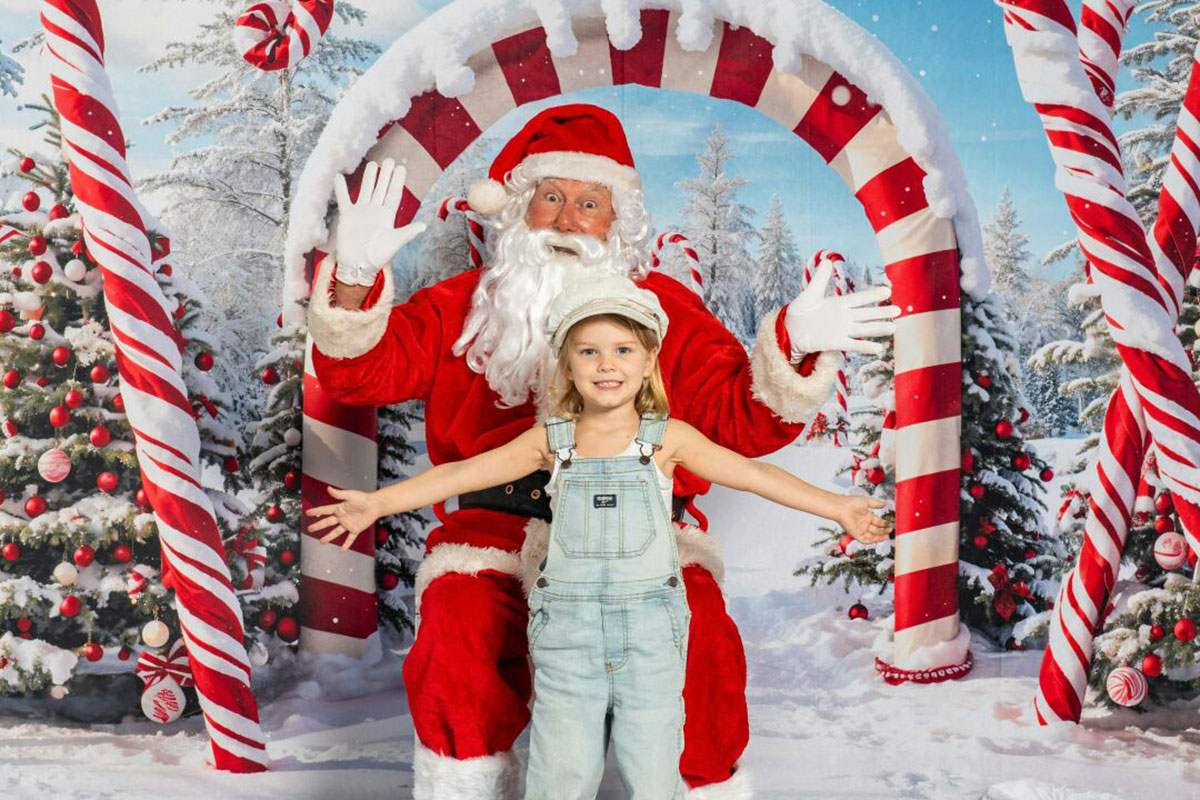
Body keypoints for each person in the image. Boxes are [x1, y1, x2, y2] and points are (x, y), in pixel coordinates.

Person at [306, 103, 899, 799]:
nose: (565, 219)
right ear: (520, 208)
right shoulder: (466, 304)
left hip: (647, 532)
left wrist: (796, 344)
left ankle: (697, 786)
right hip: (494, 534)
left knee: (701, 631)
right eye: (550, 197)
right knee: (457, 629)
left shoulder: (661, 312)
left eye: (589, 203)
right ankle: (469, 787)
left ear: (618, 222)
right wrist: (351, 281)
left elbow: (742, 430)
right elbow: (360, 376)